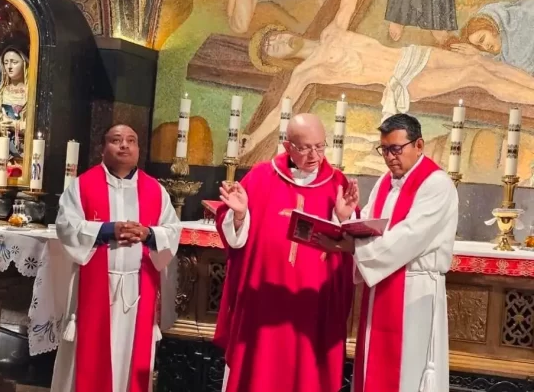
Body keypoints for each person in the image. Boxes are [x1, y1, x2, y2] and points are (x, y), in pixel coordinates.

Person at [239, 0, 534, 164]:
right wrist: (251, 140)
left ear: (282, 31)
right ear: (278, 61)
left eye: (274, 37)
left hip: (411, 55)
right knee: (475, 74)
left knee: (479, 62)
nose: (278, 42)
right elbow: (281, 110)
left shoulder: (332, 31)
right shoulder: (306, 71)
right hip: (403, 80)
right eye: (272, 48)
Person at [214, 113, 359, 392]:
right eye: (305, 148)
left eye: (320, 146)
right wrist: (240, 216)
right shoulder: (261, 176)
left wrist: (343, 217)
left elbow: (350, 246)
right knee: (260, 375)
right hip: (265, 300)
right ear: (288, 146)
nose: (315, 155)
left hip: (313, 303)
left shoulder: (337, 184)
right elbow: (235, 239)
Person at [318, 114, 458, 392]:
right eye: (384, 150)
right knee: (374, 365)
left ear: (419, 145)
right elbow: (371, 225)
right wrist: (347, 218)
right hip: (381, 288)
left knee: (409, 371)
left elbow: (409, 237)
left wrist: (352, 246)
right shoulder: (385, 181)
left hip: (415, 292)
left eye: (396, 149)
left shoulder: (437, 184)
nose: (390, 157)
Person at [51, 124, 181, 392]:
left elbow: (173, 231)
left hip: (137, 291)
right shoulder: (82, 186)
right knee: (88, 358)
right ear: (103, 148)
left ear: (138, 149)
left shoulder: (155, 190)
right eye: (116, 140)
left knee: (131, 357)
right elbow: (66, 226)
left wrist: (148, 234)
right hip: (95, 289)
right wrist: (107, 230)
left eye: (131, 141)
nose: (124, 145)